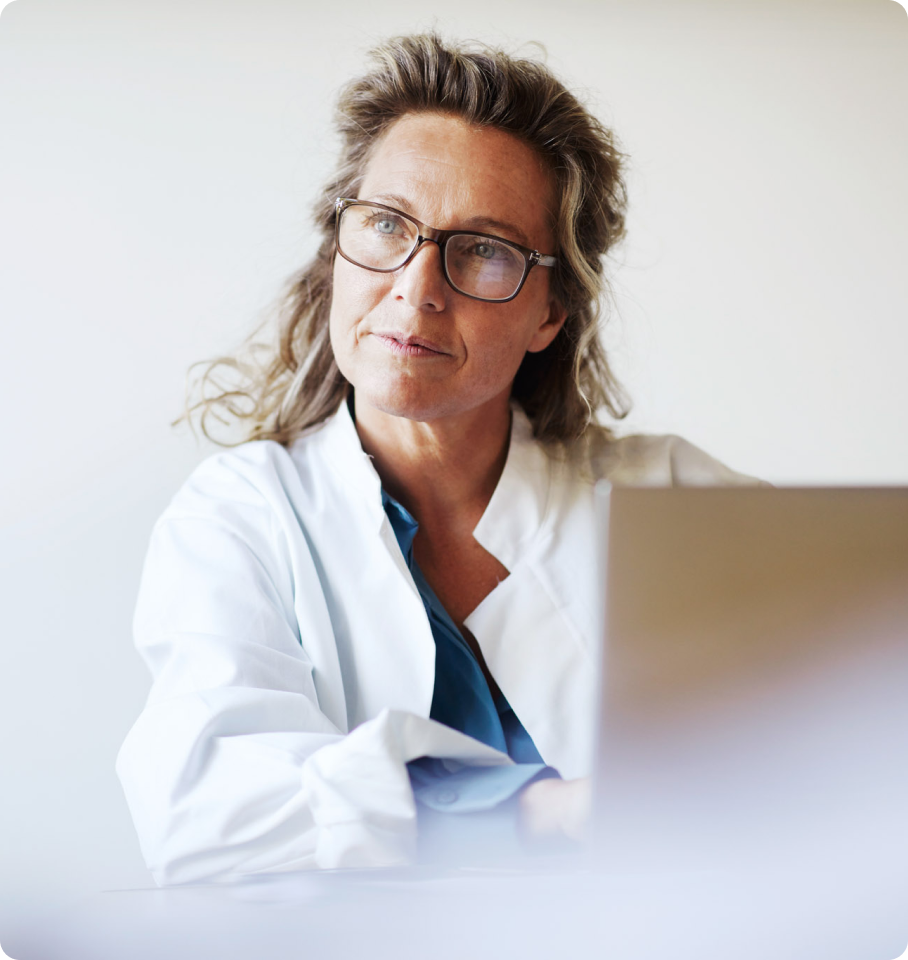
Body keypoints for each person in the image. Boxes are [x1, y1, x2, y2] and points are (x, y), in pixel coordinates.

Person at [117, 33, 759, 885]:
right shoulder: (241, 516)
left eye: (484, 249)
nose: (417, 287)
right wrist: (543, 812)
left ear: (549, 314)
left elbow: (843, 729)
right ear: (336, 253)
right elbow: (201, 815)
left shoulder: (673, 499)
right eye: (387, 225)